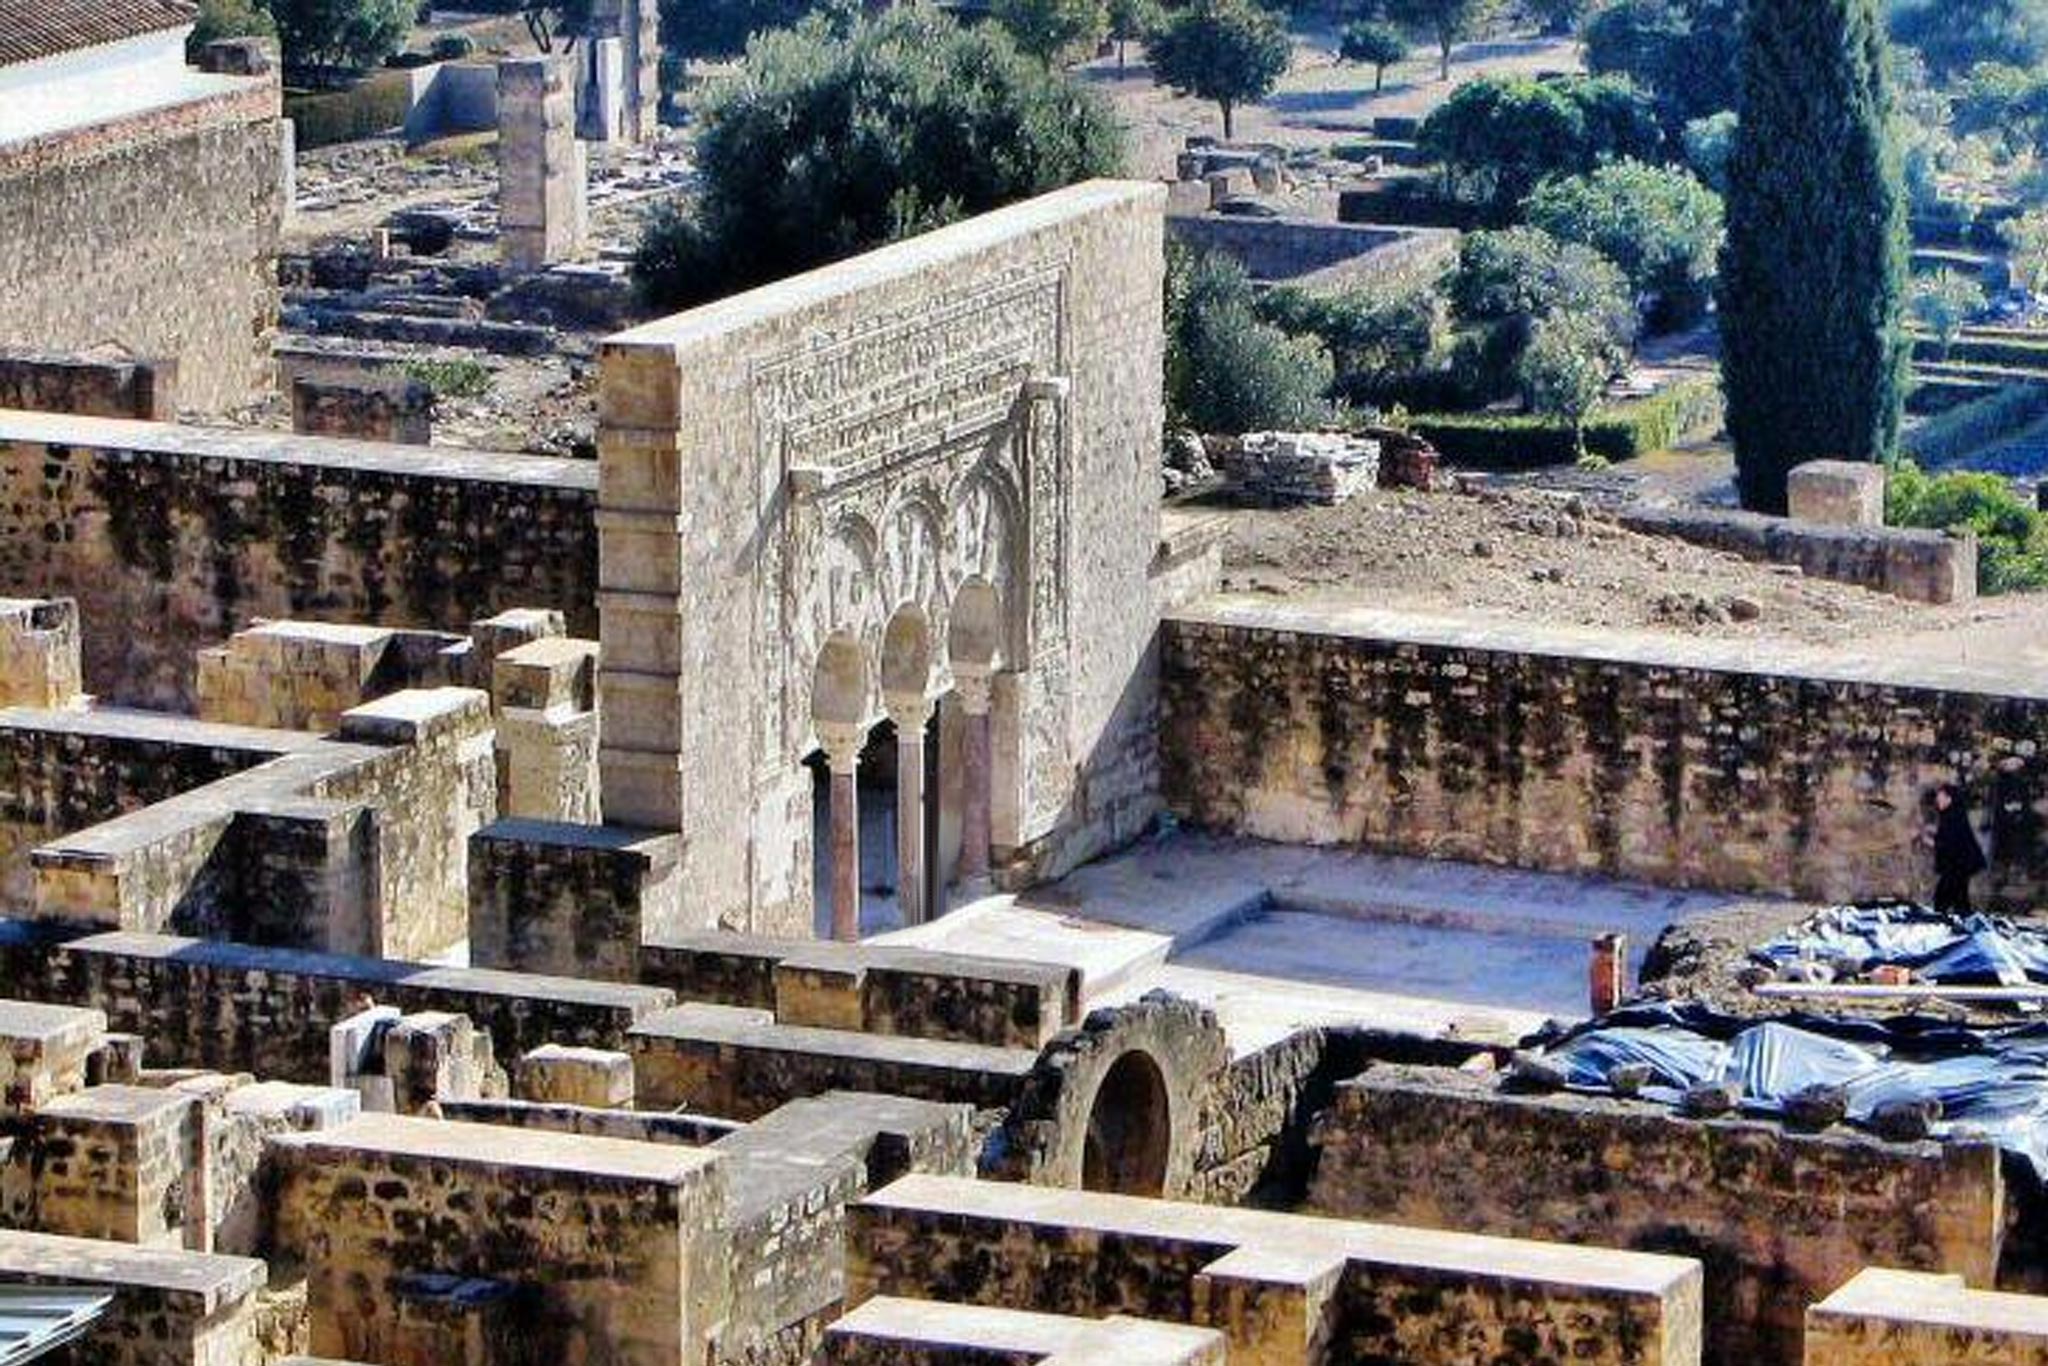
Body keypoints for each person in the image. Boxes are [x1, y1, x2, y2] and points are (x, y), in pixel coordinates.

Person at [1933, 783, 1988, 915]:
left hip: (1958, 864)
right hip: (1958, 865)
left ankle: (1945, 923)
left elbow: (1950, 843)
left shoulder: (1953, 816)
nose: (1937, 800)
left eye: (1940, 797)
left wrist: (1930, 840)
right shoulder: (1951, 814)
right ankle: (1964, 922)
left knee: (1944, 899)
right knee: (1959, 899)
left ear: (1949, 799)